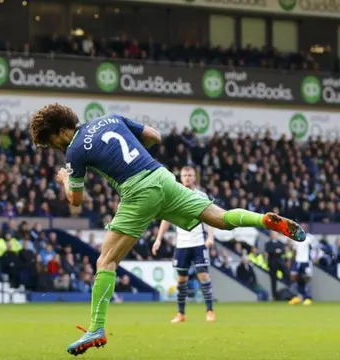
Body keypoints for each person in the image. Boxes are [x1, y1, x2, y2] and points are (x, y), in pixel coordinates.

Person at [28, 104, 306, 356]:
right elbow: (155, 136)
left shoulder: (75, 150)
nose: (55, 148)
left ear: (62, 130)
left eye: (52, 141)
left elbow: (76, 201)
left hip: (138, 190)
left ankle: (96, 328)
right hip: (162, 177)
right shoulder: (111, 118)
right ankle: (264, 220)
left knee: (106, 261)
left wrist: (65, 178)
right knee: (221, 219)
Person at [153, 166, 216, 323]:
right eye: (185, 175)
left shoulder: (201, 195)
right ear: (180, 177)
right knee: (181, 280)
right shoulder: (174, 195)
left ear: (195, 178)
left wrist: (210, 236)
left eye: (190, 175)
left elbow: (210, 217)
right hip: (181, 244)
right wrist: (158, 238)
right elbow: (166, 219)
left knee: (203, 276)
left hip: (198, 243)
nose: (187, 177)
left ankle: (210, 311)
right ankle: (181, 314)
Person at [288, 224, 314, 305]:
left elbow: (315, 249)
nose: (302, 229)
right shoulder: (296, 238)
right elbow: (293, 251)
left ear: (306, 228)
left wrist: (314, 258)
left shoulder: (309, 238)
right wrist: (290, 260)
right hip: (297, 261)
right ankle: (297, 297)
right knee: (294, 278)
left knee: (306, 279)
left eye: (304, 227)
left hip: (306, 262)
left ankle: (308, 298)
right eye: (301, 227)